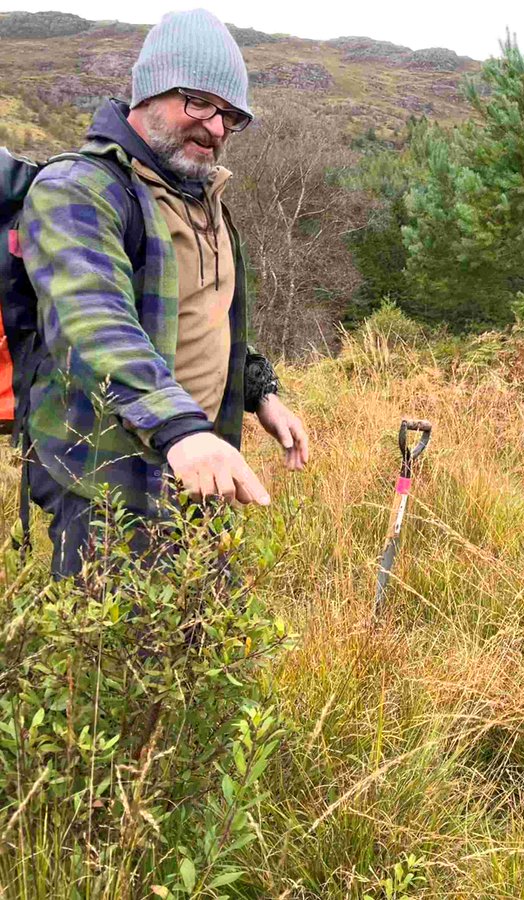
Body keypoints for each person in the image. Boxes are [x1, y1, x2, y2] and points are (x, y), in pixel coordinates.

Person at [19, 9, 309, 578]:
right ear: (150, 91)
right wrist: (183, 430)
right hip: (108, 481)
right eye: (199, 103)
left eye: (230, 115)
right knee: (118, 634)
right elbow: (96, 322)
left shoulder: (202, 197)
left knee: (206, 624)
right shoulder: (79, 189)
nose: (216, 128)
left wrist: (261, 392)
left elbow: (206, 319)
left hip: (198, 465)